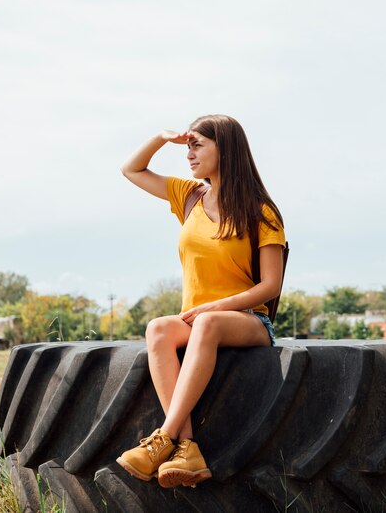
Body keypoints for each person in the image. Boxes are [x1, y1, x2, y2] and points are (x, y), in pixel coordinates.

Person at [116, 114, 286, 489]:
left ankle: (163, 436)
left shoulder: (262, 212)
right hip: (195, 320)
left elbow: (270, 285)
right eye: (188, 146)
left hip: (247, 320)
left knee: (207, 323)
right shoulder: (188, 196)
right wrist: (162, 137)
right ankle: (186, 449)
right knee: (158, 328)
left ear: (225, 149)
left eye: (198, 146)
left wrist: (215, 306)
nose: (189, 155)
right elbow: (132, 169)